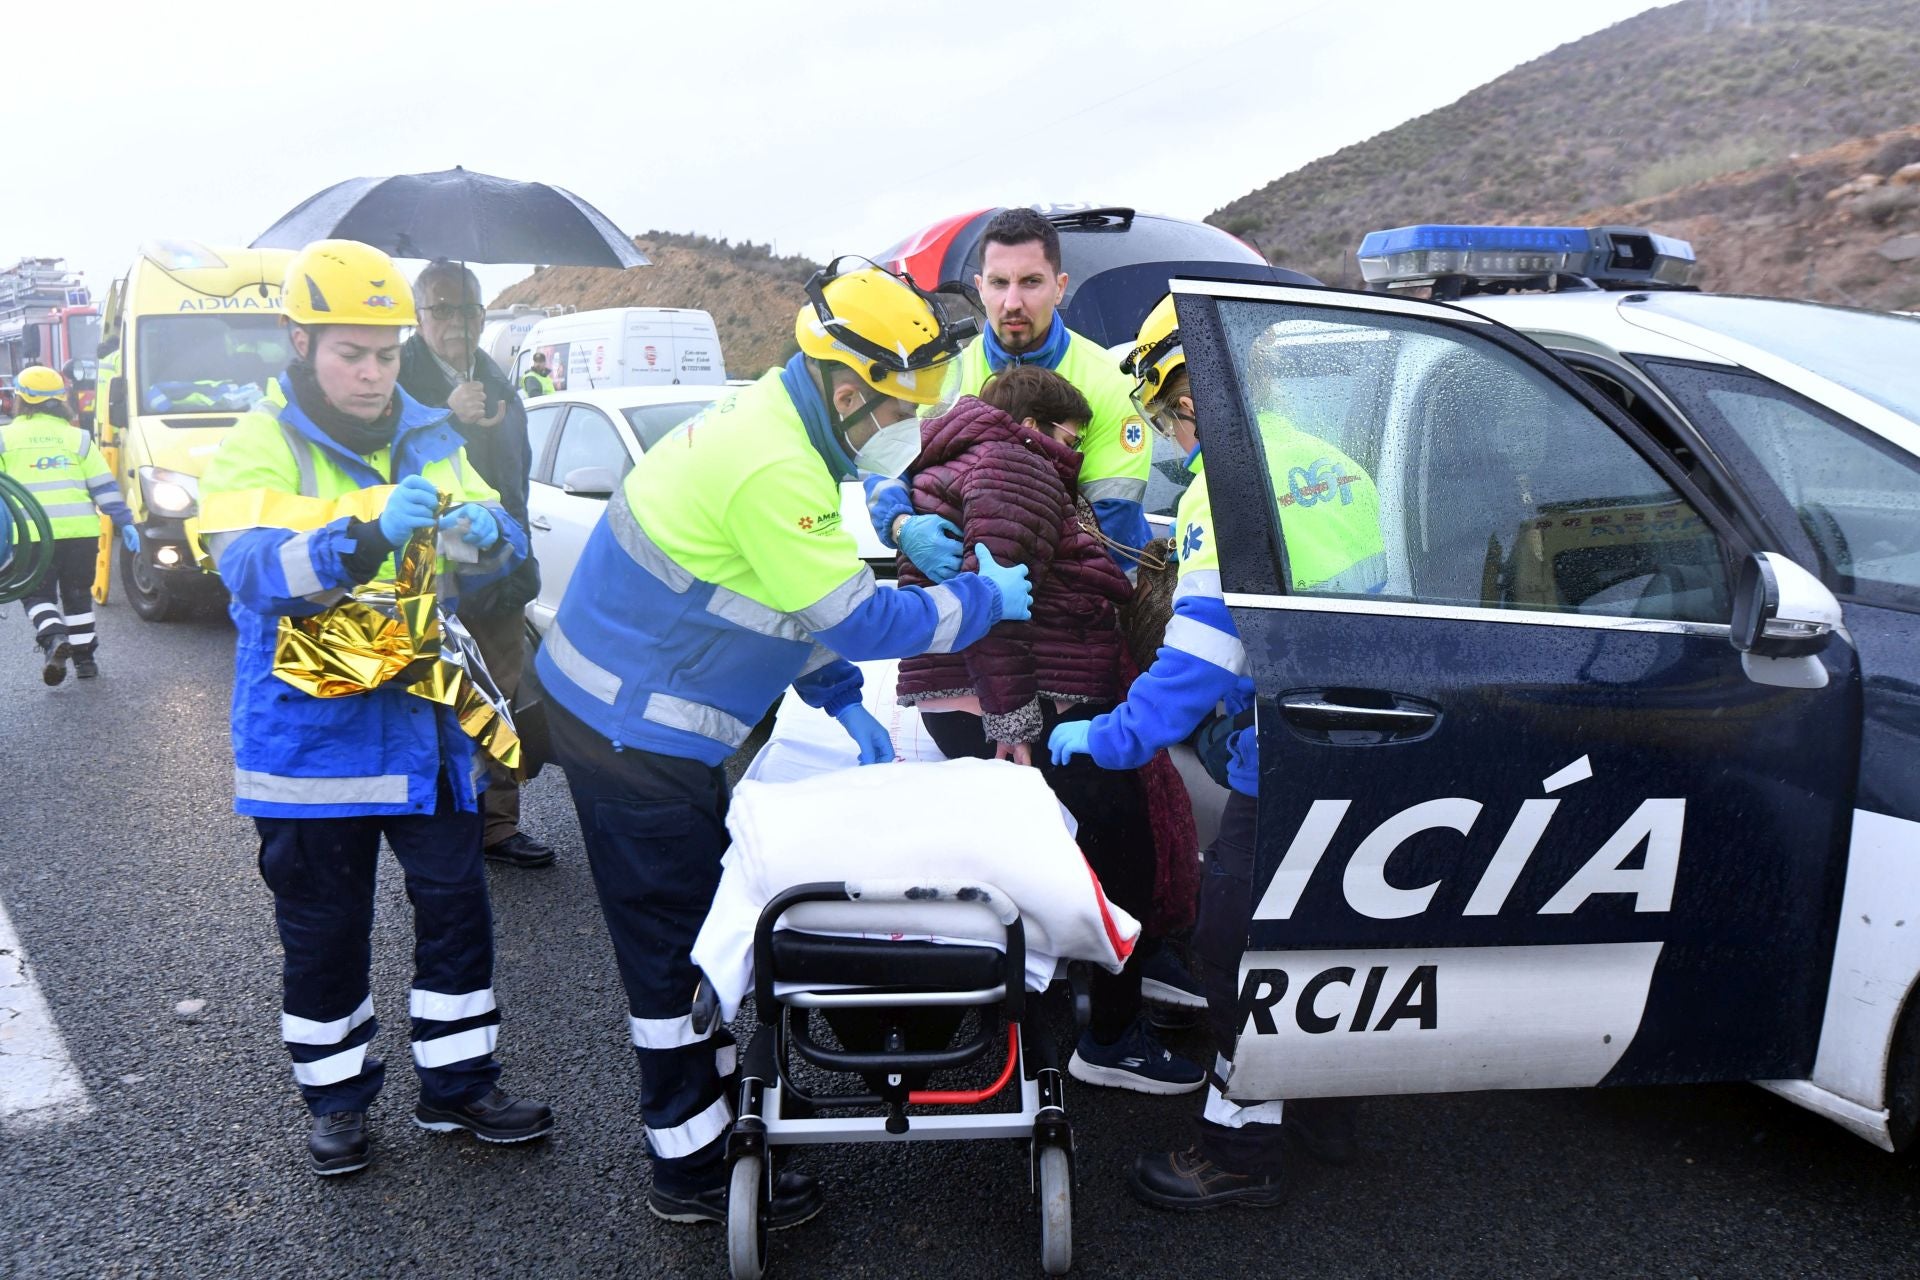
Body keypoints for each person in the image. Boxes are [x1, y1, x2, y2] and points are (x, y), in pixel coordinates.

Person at [533, 258, 1034, 1229]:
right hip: (628, 736)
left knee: (696, 922)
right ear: (848, 389)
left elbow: (770, 600)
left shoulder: (775, 426)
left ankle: (714, 1113)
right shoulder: (776, 464)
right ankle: (692, 1165)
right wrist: (977, 600)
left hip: (636, 720)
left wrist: (842, 699)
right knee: (674, 951)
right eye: (896, 405)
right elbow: (854, 616)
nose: (902, 426)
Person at [196, 240, 552, 1177]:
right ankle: (338, 1103)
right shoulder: (255, 443)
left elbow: (493, 535)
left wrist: (490, 531)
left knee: (457, 912)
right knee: (324, 935)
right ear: (299, 342)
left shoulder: (434, 433)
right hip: (310, 744)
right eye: (351, 352)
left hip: (422, 729)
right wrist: (359, 534)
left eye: (387, 354)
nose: (372, 372)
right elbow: (252, 570)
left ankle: (460, 1086)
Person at [1048, 294, 1382, 1210]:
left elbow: (1201, 653)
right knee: (1325, 936)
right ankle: (1327, 1109)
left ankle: (1237, 1151)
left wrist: (1110, 737)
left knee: (1235, 948)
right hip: (1369, 744)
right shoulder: (1331, 465)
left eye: (1160, 409)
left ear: (1190, 393)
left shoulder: (1220, 488)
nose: (1162, 431)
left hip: (1288, 757)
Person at [894, 363, 1205, 1095]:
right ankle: (1112, 1039)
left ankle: (1084, 997)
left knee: (1083, 847)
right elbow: (991, 602)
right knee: (1122, 849)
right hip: (1026, 699)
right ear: (1036, 427)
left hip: (1002, 696)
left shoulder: (969, 459)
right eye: (1071, 437)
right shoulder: (1016, 465)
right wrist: (1014, 720)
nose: (1076, 455)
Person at [867, 207, 1154, 583]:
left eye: (1031, 282)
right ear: (980, 286)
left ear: (1060, 287)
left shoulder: (1110, 383)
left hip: (1072, 600)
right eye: (999, 283)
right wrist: (902, 526)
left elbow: (1110, 529)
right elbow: (882, 462)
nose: (1013, 302)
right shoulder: (937, 377)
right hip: (956, 597)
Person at [399, 261, 555, 871]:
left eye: (467, 308)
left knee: (502, 697)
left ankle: (496, 823)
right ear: (419, 318)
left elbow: (511, 484)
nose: (457, 322)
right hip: (429, 580)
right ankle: (444, 822)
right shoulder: (398, 381)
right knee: (439, 700)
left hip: (499, 572)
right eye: (442, 309)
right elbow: (388, 457)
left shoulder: (502, 383)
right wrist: (446, 412)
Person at [0, 365, 134, 684]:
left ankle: (53, 636)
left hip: (31, 535)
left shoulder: (5, 438)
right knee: (77, 594)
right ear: (61, 399)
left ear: (20, 398)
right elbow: (103, 486)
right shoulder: (78, 438)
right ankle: (85, 661)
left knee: (35, 594)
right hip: (81, 532)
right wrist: (125, 522)